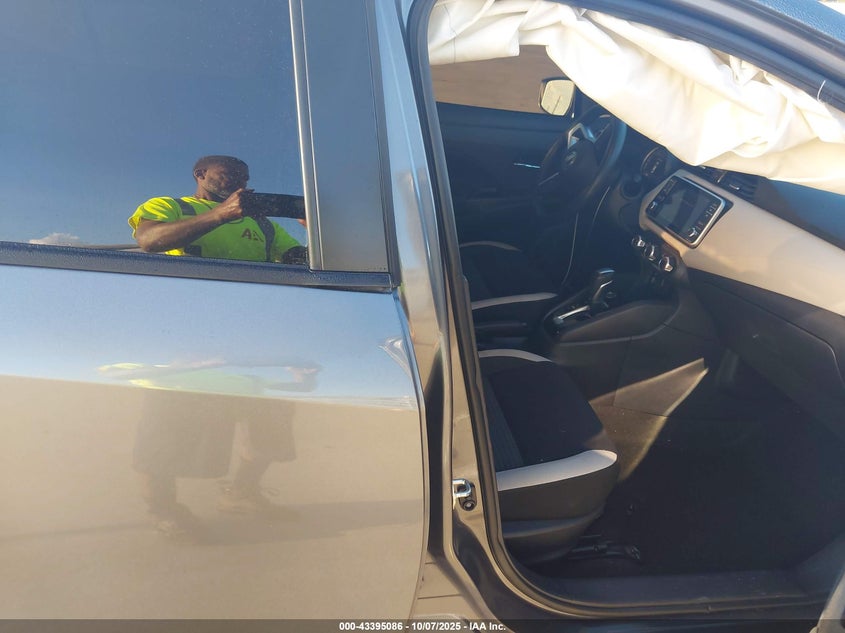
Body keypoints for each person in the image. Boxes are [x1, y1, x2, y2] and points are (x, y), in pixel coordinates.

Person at [129, 155, 304, 263]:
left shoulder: (265, 224)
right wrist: (221, 214)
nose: (241, 182)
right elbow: (148, 241)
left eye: (245, 179)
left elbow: (298, 259)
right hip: (193, 296)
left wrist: (312, 227)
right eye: (231, 174)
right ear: (200, 174)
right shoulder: (168, 205)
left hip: (259, 300)